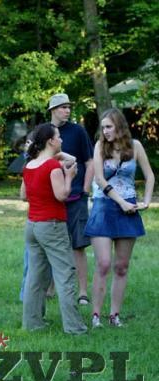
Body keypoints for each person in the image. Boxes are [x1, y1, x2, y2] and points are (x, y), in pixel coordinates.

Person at [85, 108, 154, 328]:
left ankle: (115, 315)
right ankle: (96, 315)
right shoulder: (100, 147)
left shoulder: (136, 147)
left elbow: (150, 175)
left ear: (119, 126)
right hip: (104, 208)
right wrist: (121, 202)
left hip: (130, 210)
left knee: (122, 266)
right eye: (103, 127)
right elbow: (100, 180)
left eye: (108, 126)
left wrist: (146, 200)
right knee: (103, 264)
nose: (104, 131)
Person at [20, 122, 87, 334]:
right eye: (58, 137)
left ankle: (32, 323)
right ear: (50, 140)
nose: (62, 140)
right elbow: (62, 195)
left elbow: (23, 196)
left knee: (35, 276)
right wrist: (69, 177)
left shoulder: (30, 165)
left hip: (32, 226)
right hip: (52, 226)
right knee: (65, 275)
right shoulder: (51, 167)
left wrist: (56, 156)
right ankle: (75, 327)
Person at [48, 93, 94, 305]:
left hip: (76, 197)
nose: (67, 110)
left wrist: (85, 190)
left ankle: (82, 292)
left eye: (69, 107)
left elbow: (90, 161)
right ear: (53, 110)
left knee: (78, 245)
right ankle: (50, 288)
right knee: (52, 244)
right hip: (52, 198)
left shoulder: (78, 131)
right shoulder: (45, 133)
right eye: (63, 107)